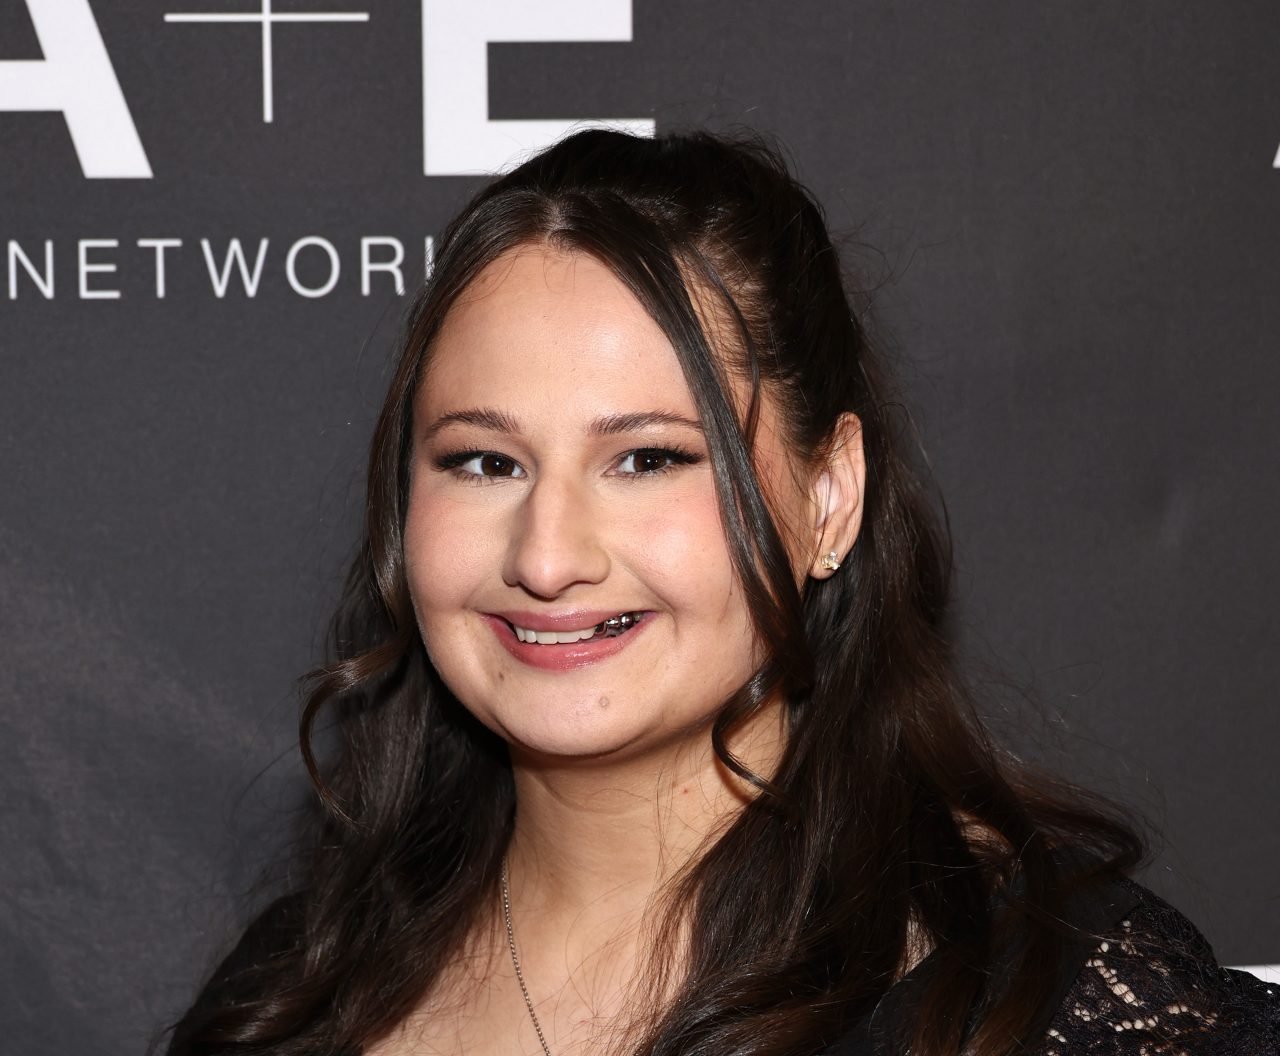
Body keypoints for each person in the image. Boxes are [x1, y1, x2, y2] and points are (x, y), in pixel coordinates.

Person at [165, 129, 1278, 1056]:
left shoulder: (1041, 1000)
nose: (546, 558)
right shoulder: (291, 996)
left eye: (648, 458)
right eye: (484, 462)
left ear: (829, 496)